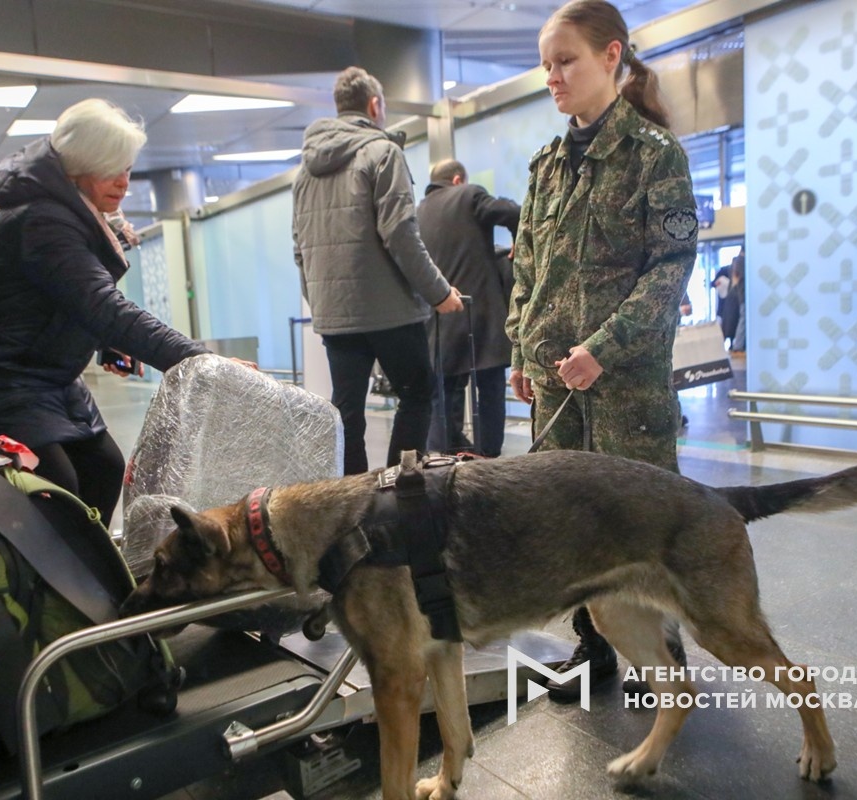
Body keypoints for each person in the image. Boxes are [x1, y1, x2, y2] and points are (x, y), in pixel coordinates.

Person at [507, 0, 698, 699]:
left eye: (567, 61)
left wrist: (603, 347)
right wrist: (521, 350)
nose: (552, 77)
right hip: (556, 382)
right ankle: (595, 648)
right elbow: (525, 265)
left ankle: (664, 660)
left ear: (611, 56)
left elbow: (670, 270)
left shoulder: (656, 156)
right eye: (546, 65)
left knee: (641, 522)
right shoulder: (546, 166)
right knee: (572, 520)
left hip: (625, 385)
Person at [0, 99, 249, 526]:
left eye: (127, 168)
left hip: (45, 374)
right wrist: (199, 362)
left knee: (104, 469)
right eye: (111, 169)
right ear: (76, 168)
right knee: (56, 488)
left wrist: (104, 344)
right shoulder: (43, 220)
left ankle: (88, 575)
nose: (123, 182)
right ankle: (56, 584)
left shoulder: (71, 213)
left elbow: (66, 297)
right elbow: (101, 304)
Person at [292, 66, 463, 475]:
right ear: (375, 105)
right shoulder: (383, 152)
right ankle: (400, 493)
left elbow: (299, 250)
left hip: (335, 316)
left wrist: (322, 304)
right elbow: (400, 234)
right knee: (417, 391)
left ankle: (353, 503)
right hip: (389, 311)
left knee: (347, 409)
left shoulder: (305, 173)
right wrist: (439, 293)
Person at [418, 159, 520, 458]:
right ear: (458, 179)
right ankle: (487, 456)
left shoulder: (418, 211)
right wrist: (517, 242)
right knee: (489, 389)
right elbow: (514, 212)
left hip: (439, 316)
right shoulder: (469, 194)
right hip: (481, 314)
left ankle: (445, 456)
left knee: (445, 391)